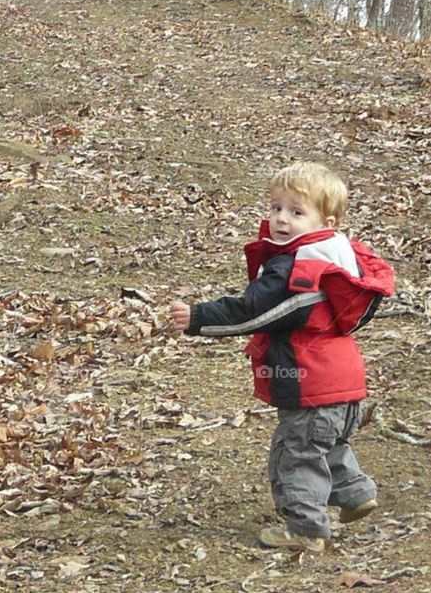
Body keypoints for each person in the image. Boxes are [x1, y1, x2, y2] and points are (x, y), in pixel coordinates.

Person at [169, 162, 394, 553]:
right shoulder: (340, 255)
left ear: (325, 219)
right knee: (328, 442)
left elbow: (253, 310)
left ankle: (306, 529)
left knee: (296, 454)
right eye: (275, 208)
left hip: (311, 378)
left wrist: (198, 318)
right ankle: (355, 492)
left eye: (295, 212)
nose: (281, 220)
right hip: (344, 380)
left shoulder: (297, 266)